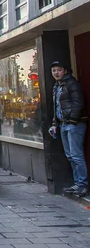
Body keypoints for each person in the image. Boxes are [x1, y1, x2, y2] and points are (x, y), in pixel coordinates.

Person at [49, 61, 88, 196]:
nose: (56, 73)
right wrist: (55, 124)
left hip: (74, 125)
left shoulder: (71, 84)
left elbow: (79, 102)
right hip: (63, 124)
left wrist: (73, 119)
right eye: (54, 71)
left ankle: (83, 184)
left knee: (76, 156)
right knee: (70, 156)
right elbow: (57, 108)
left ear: (65, 71)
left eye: (59, 70)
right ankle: (77, 183)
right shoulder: (57, 86)